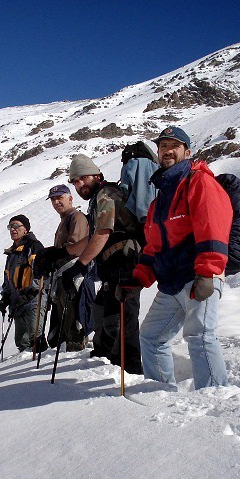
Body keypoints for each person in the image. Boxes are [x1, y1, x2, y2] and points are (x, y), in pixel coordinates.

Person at [116, 126, 232, 388]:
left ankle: (215, 399)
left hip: (198, 276)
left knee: (200, 335)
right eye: (162, 146)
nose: (167, 150)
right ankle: (160, 391)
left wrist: (207, 271)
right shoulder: (160, 200)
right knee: (151, 336)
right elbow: (154, 246)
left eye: (174, 146)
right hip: (171, 281)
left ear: (187, 152)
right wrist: (139, 279)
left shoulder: (199, 182)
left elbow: (213, 226)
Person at [59, 154, 144, 374]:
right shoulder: (98, 199)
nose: (79, 185)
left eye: (83, 178)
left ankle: (129, 367)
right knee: (103, 311)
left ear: (96, 175)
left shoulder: (106, 194)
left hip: (125, 262)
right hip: (113, 265)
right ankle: (105, 355)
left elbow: (103, 234)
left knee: (122, 316)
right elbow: (92, 238)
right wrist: (62, 254)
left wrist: (80, 266)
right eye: (75, 182)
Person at [34, 184, 89, 351]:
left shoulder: (76, 217)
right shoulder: (65, 220)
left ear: (70, 198)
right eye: (53, 199)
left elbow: (78, 247)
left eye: (60, 198)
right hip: (62, 274)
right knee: (65, 318)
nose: (56, 202)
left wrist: (55, 254)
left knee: (72, 317)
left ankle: (77, 350)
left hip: (72, 273)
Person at [0, 214, 45, 352]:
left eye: (16, 226)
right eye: (10, 227)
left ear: (26, 229)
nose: (12, 229)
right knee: (22, 343)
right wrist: (5, 298)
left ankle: (39, 369)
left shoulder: (34, 247)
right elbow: (8, 280)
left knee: (36, 339)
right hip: (18, 304)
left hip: (33, 300)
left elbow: (41, 273)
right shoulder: (12, 254)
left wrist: (31, 291)